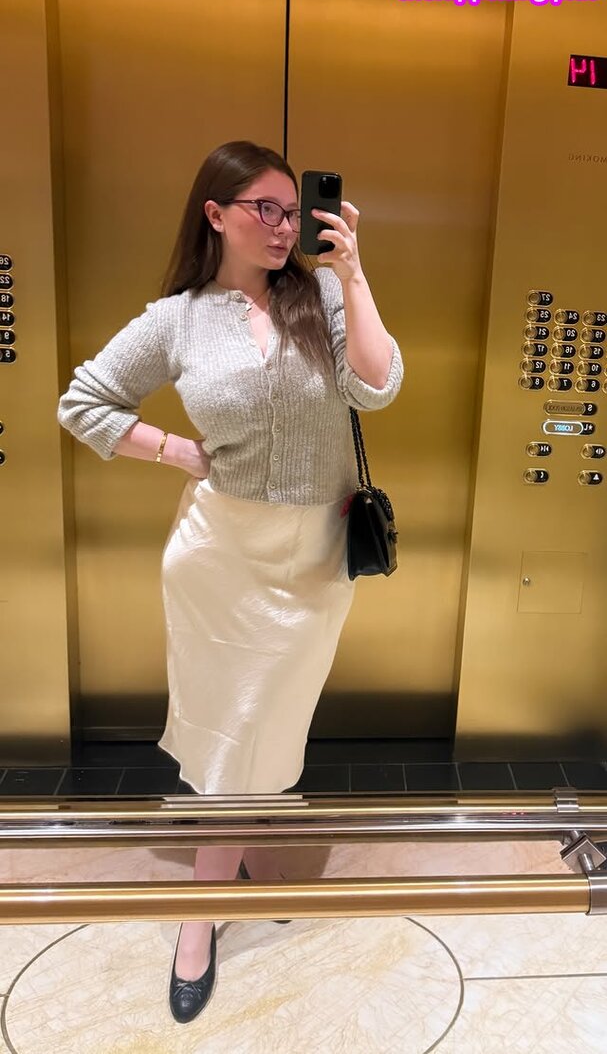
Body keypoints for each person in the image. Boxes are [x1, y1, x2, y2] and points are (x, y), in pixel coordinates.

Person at [57, 139, 403, 1023]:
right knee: (229, 736)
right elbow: (83, 403)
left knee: (268, 724)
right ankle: (199, 914)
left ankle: (239, 855)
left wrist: (352, 272)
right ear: (215, 214)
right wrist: (175, 450)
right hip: (219, 558)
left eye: (293, 211)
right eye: (264, 209)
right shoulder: (176, 320)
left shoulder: (321, 297)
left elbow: (377, 387)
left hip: (313, 558)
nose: (284, 227)